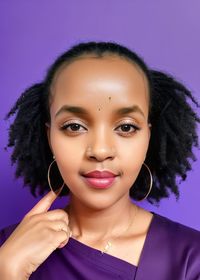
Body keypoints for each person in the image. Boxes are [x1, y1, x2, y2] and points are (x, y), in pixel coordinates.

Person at [0, 41, 199, 280]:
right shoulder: (8, 250)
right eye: (74, 126)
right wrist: (8, 270)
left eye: (126, 127)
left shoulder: (191, 257)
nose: (101, 150)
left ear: (148, 136)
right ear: (49, 136)